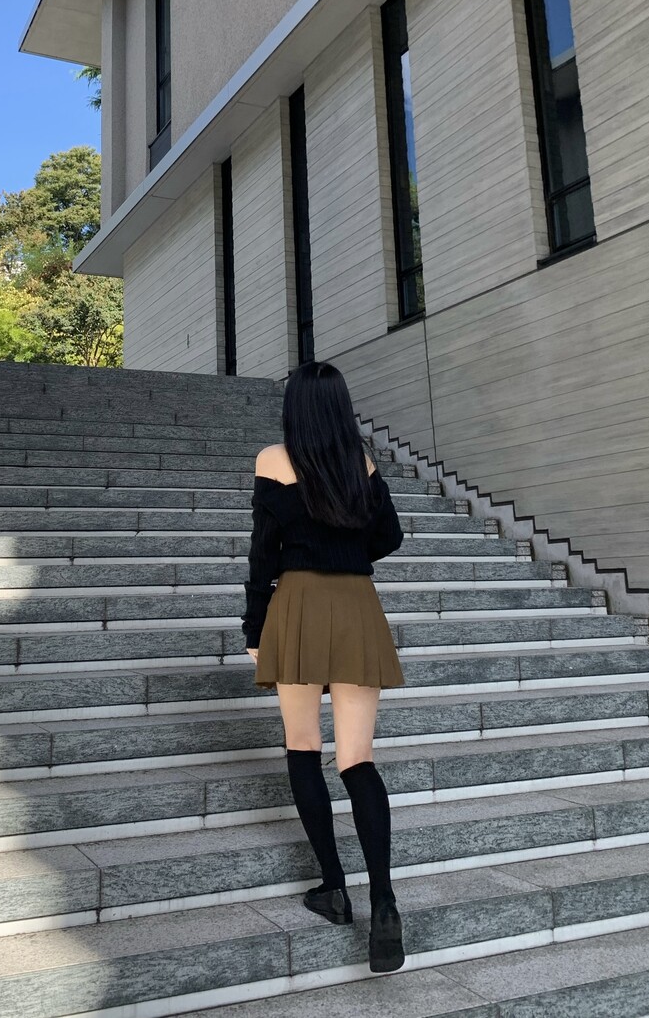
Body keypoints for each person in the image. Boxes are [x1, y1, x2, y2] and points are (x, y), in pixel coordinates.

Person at [242, 359, 406, 974]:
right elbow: (390, 537)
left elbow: (263, 555)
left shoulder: (271, 460)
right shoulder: (361, 463)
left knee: (303, 746)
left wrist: (254, 627)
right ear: (341, 406)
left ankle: (334, 888)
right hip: (357, 604)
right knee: (357, 759)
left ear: (294, 408)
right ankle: (384, 902)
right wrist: (348, 545)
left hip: (299, 605)